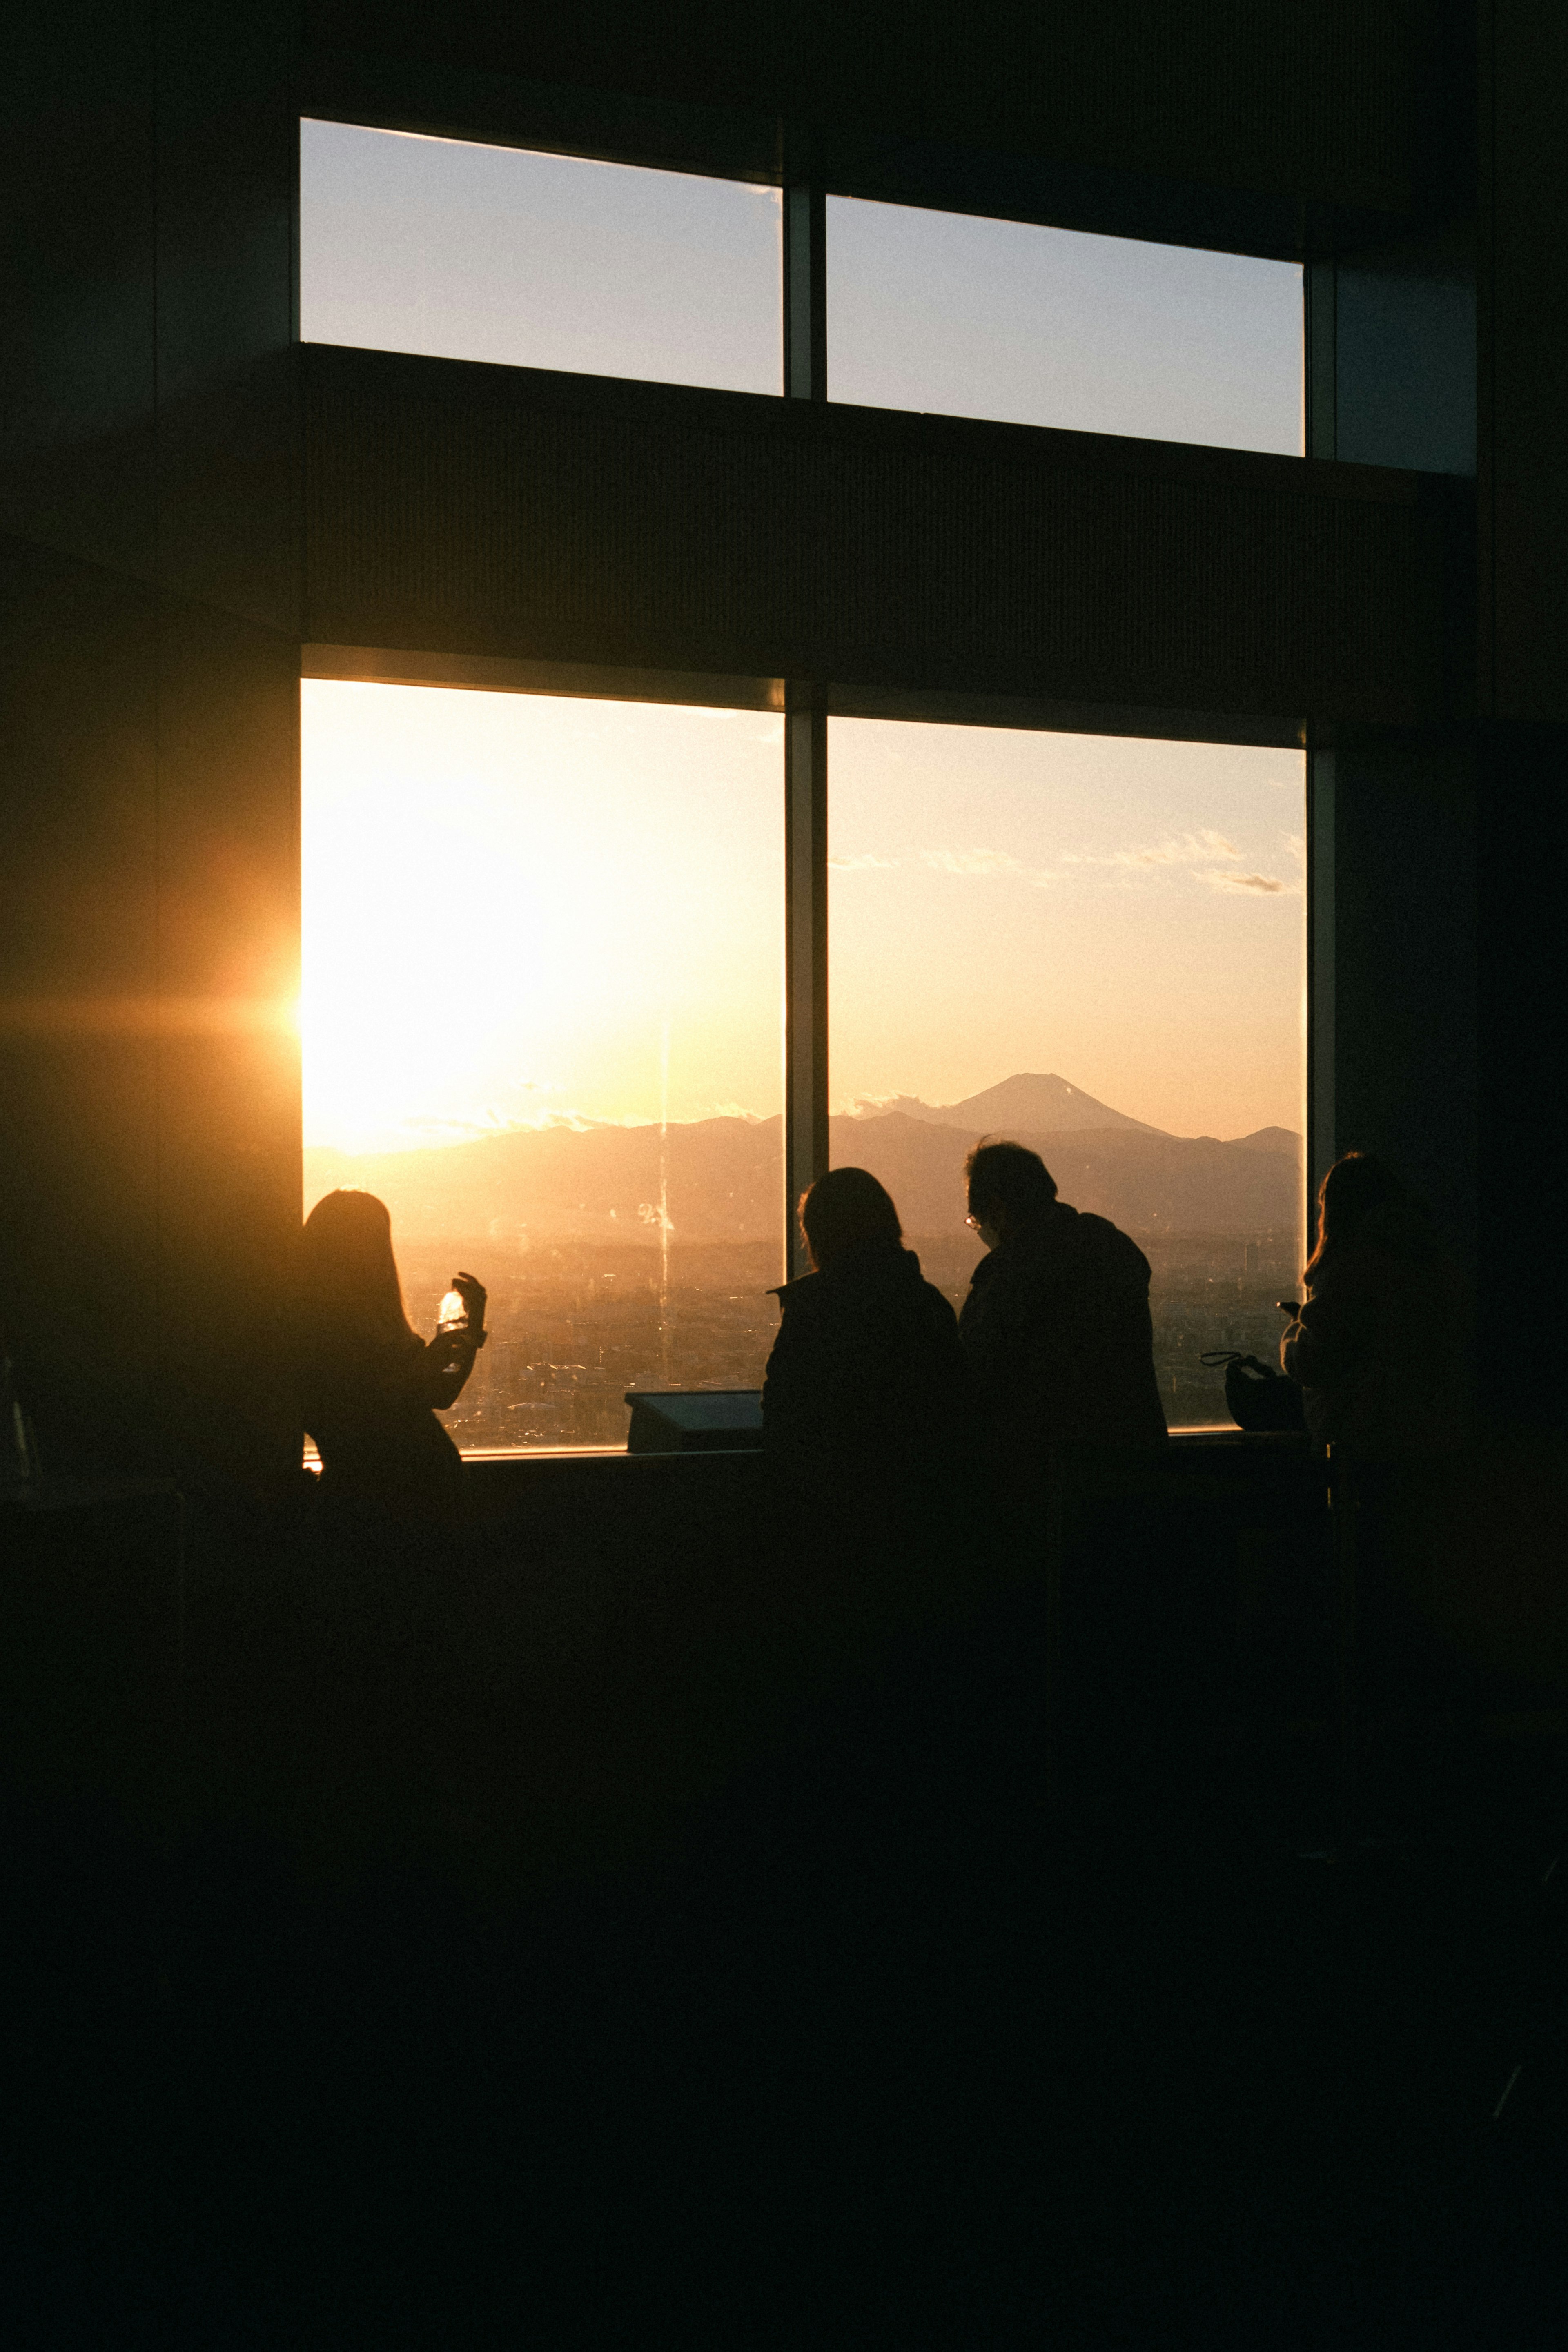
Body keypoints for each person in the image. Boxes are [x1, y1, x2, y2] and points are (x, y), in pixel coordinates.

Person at [958, 1139, 1167, 1474]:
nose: (981, 1231)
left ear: (996, 1209)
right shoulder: (1109, 1250)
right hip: (1135, 1461)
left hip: (1046, 1474)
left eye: (977, 1221)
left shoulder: (1008, 1277)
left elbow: (976, 1376)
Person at [762, 1167, 971, 1489]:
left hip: (834, 1498)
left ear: (819, 1235)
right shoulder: (928, 1305)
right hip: (921, 1499)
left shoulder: (814, 1307)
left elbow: (785, 1410)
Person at [300, 1189, 487, 1523]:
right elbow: (368, 1406)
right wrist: (435, 1357)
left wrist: (471, 1330)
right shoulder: (321, 1328)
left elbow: (439, 1394)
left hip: (402, 1502)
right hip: (386, 1506)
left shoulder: (343, 1323)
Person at [1281, 1152, 1467, 1459]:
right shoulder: (1434, 1263)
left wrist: (1292, 1336)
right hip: (1436, 1442)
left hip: (1365, 1445)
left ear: (1336, 1210)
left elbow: (1315, 1363)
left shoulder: (1353, 1269)